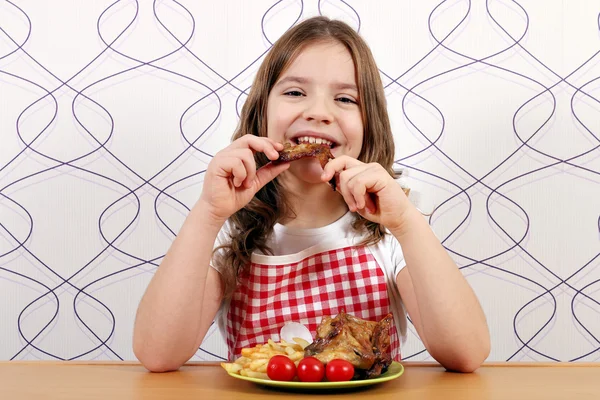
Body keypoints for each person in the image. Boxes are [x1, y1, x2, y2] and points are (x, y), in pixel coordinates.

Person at [132, 16, 490, 374]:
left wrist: (408, 223)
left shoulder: (390, 227)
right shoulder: (230, 226)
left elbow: (466, 353)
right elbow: (158, 354)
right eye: (294, 92)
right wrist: (208, 214)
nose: (319, 113)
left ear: (371, 125)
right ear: (262, 112)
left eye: (346, 98)